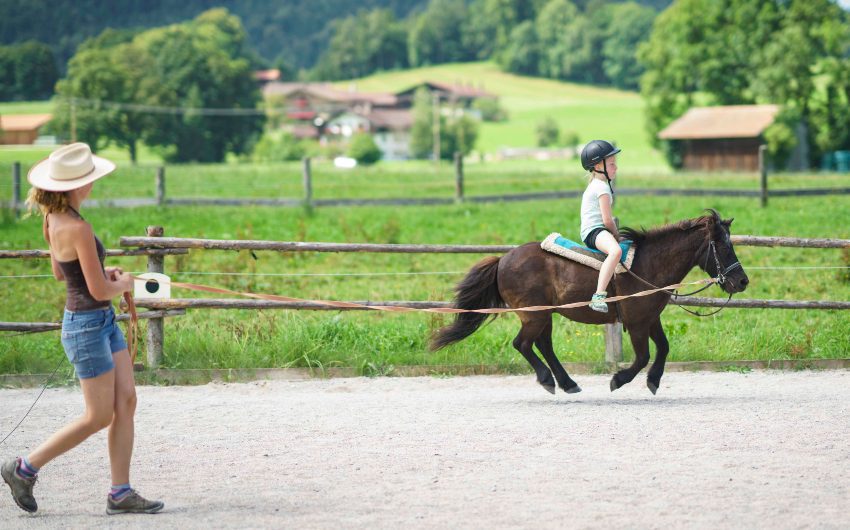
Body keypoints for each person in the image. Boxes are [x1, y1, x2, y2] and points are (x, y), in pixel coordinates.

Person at [1, 143, 163, 515]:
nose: (93, 185)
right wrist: (122, 284)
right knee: (98, 415)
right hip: (89, 326)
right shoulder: (79, 226)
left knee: (127, 401)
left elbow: (62, 272)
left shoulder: (53, 219)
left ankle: (120, 493)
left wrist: (99, 272)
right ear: (78, 185)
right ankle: (23, 468)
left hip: (96, 322)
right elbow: (98, 291)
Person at [579, 140, 622, 313]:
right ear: (598, 165)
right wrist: (616, 235)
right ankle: (598, 296)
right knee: (616, 251)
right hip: (595, 231)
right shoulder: (602, 187)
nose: (616, 168)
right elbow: (607, 221)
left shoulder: (595, 185)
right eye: (612, 164)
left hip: (594, 231)